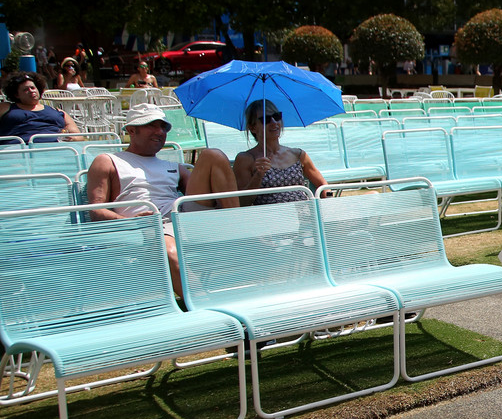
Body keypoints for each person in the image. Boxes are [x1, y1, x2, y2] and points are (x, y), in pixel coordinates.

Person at [86, 104, 240, 297]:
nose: (160, 132)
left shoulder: (174, 166)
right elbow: (95, 210)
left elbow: (203, 197)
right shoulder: (108, 161)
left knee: (212, 155)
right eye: (152, 125)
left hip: (183, 216)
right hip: (150, 226)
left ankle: (237, 226)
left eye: (164, 127)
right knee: (168, 251)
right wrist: (130, 222)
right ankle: (207, 304)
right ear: (132, 130)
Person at [232, 100, 327, 206]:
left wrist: (330, 202)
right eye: (265, 119)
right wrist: (258, 176)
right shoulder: (246, 159)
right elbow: (241, 202)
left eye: (277, 117)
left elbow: (323, 185)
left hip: (303, 213)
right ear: (253, 128)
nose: (274, 122)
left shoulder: (298, 155)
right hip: (272, 217)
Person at [0, 72, 81, 142]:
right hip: (18, 148)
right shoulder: (6, 108)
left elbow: (78, 136)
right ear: (16, 95)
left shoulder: (57, 111)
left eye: (33, 88)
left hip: (57, 147)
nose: (31, 91)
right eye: (26, 89)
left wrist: (72, 137)